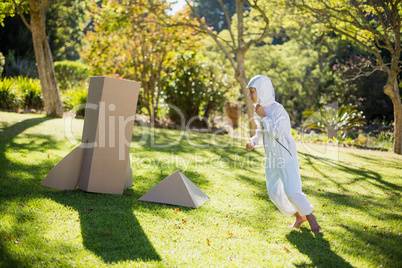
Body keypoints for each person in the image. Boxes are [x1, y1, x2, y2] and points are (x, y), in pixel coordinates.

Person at [245, 75, 321, 233]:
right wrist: (254, 141)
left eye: (252, 91)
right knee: (273, 191)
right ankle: (299, 215)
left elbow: (276, 132)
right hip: (271, 157)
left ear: (262, 90)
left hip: (285, 156)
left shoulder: (278, 110)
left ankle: (311, 216)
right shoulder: (260, 110)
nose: (249, 95)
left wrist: (264, 116)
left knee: (292, 190)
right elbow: (262, 132)